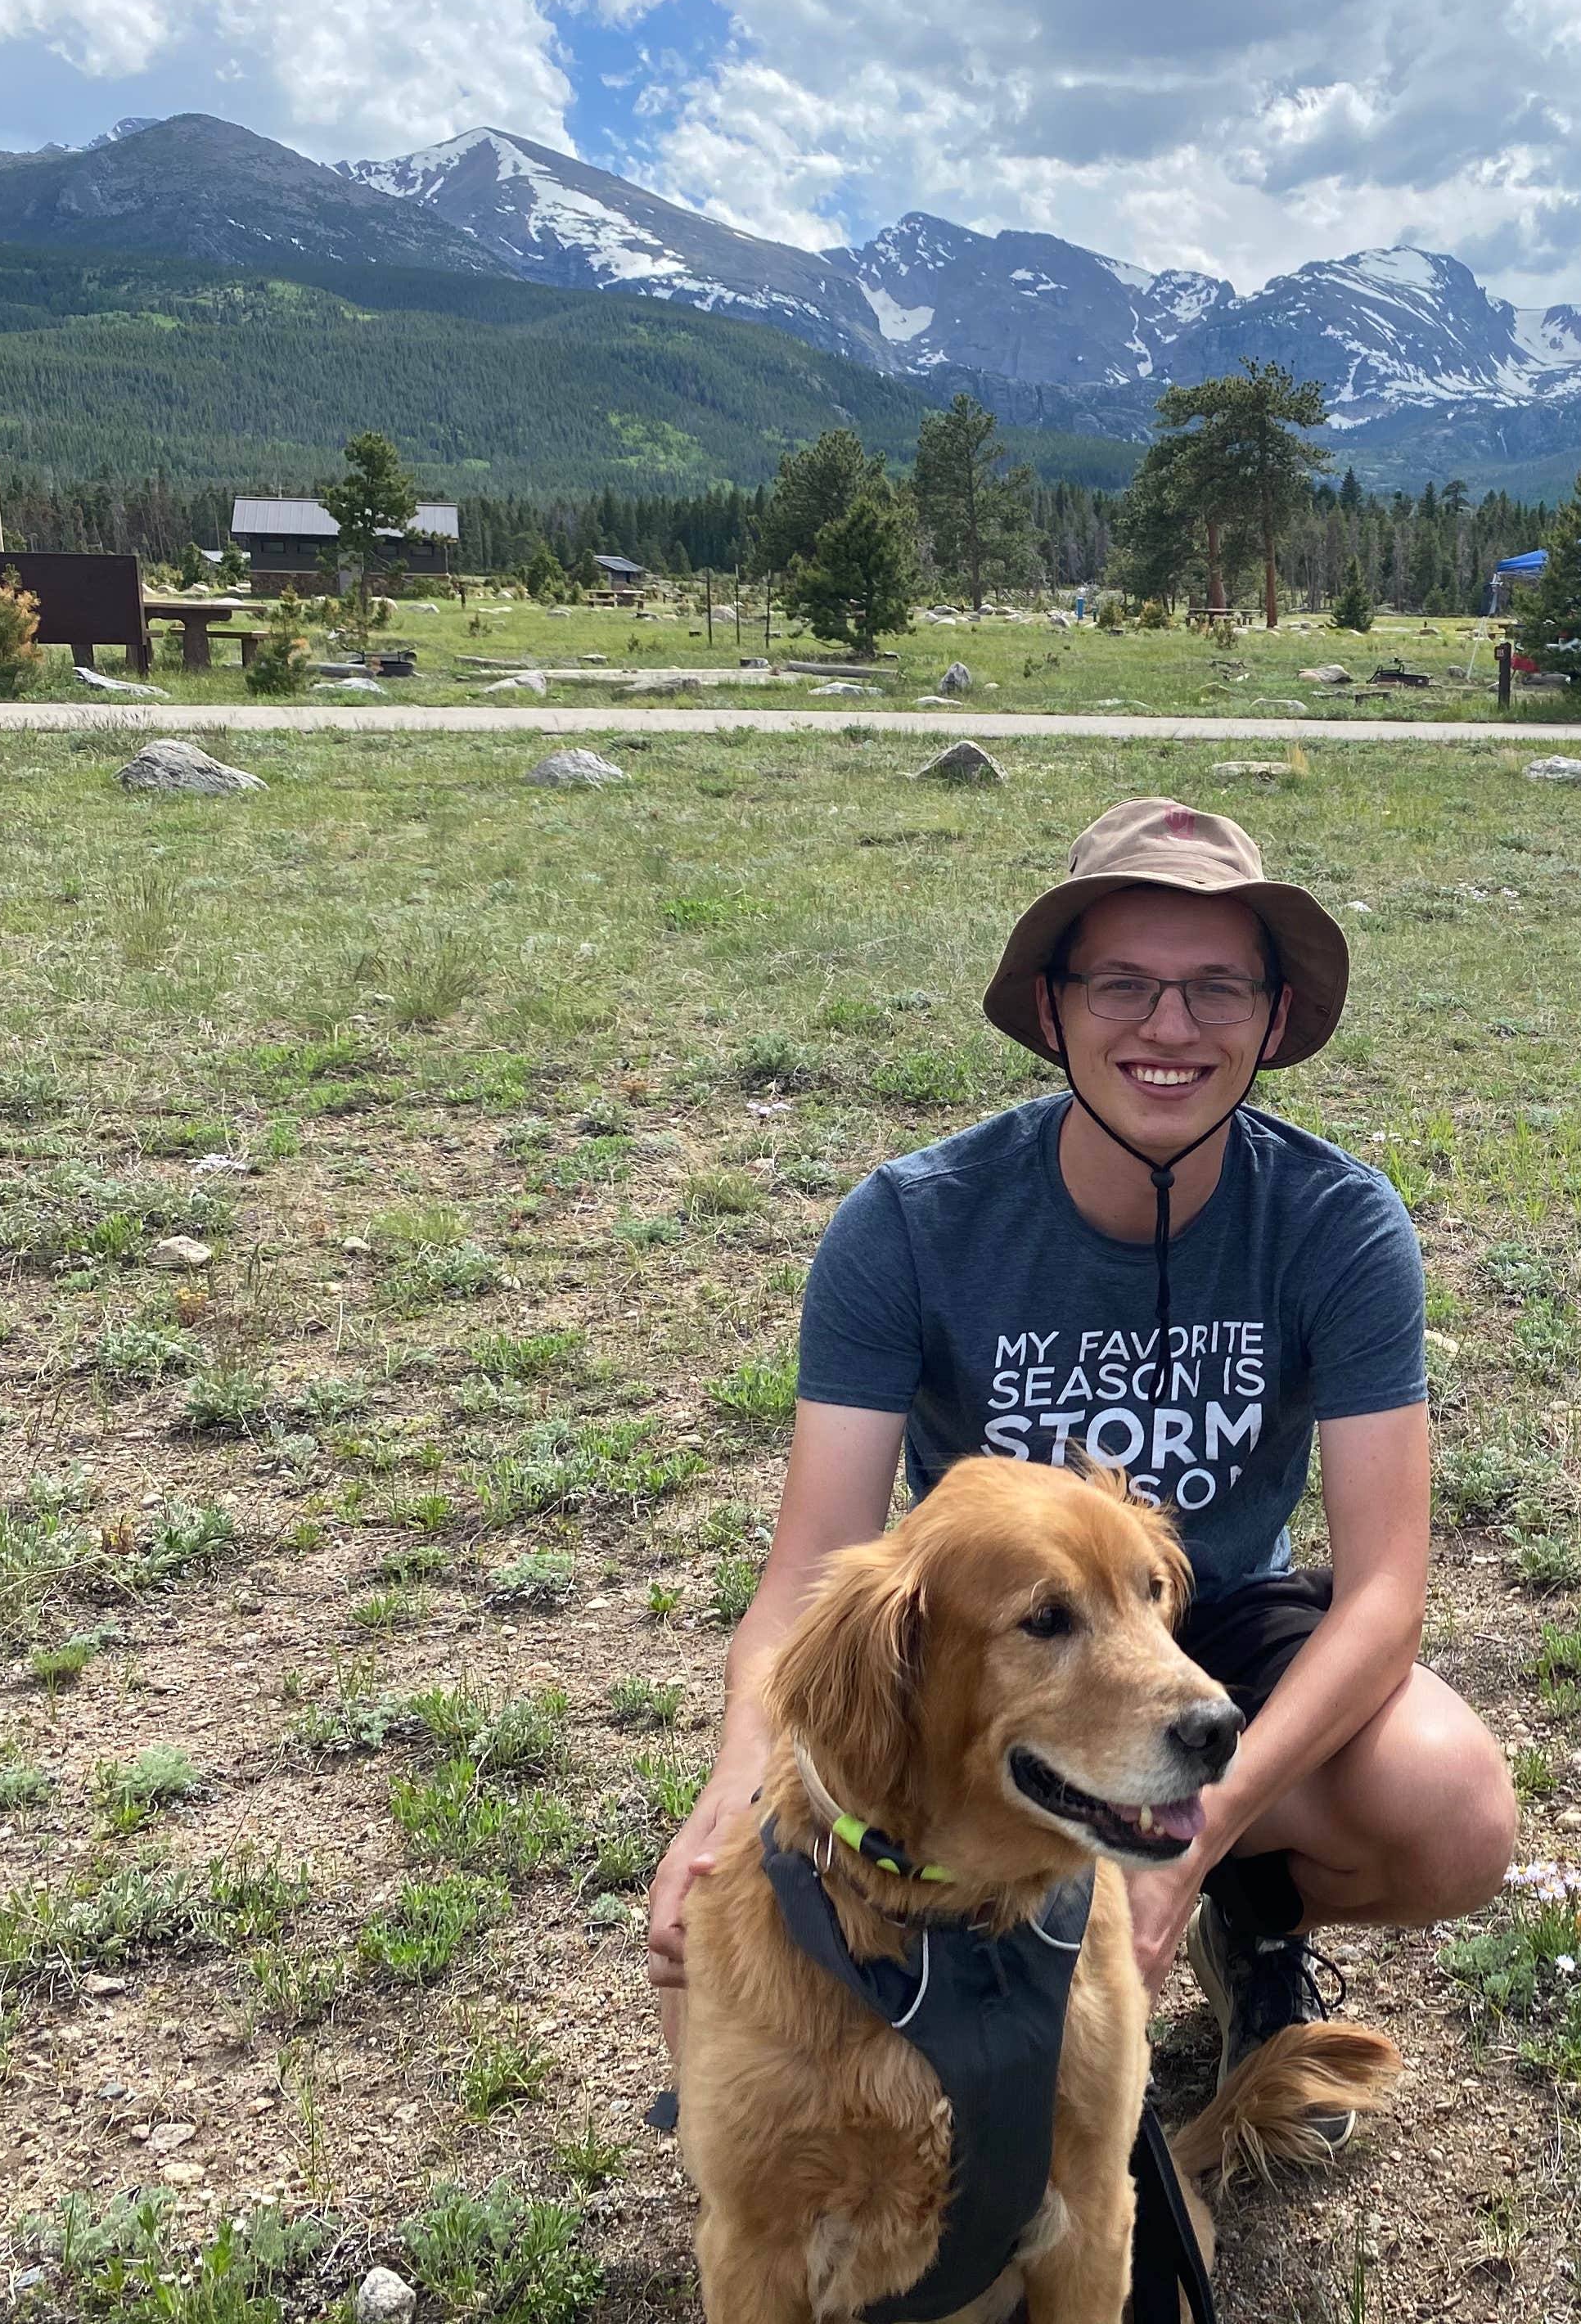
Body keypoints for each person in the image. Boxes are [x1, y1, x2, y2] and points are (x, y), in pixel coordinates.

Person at [645, 798, 1516, 2139]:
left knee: (1453, 1808)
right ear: (1051, 1011)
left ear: (1274, 1021)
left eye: (1218, 985)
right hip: (1008, 1644)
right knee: (716, 1946)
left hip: (1205, 1624)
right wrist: (737, 1777)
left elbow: (1387, 1595)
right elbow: (815, 1564)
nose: (1170, 1027)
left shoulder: (1337, 1224)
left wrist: (1196, 1845)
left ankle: (1243, 1926)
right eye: (1123, 983)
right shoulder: (910, 1225)